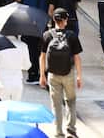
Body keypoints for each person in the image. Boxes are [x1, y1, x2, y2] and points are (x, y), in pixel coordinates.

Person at [40, 8, 82, 138]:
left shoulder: (47, 35)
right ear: (65, 20)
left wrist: (42, 75)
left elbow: (42, 57)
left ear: (54, 20)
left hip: (53, 74)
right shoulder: (72, 36)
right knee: (71, 101)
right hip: (68, 73)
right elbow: (76, 57)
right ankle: (71, 129)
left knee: (56, 104)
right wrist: (79, 76)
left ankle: (58, 132)